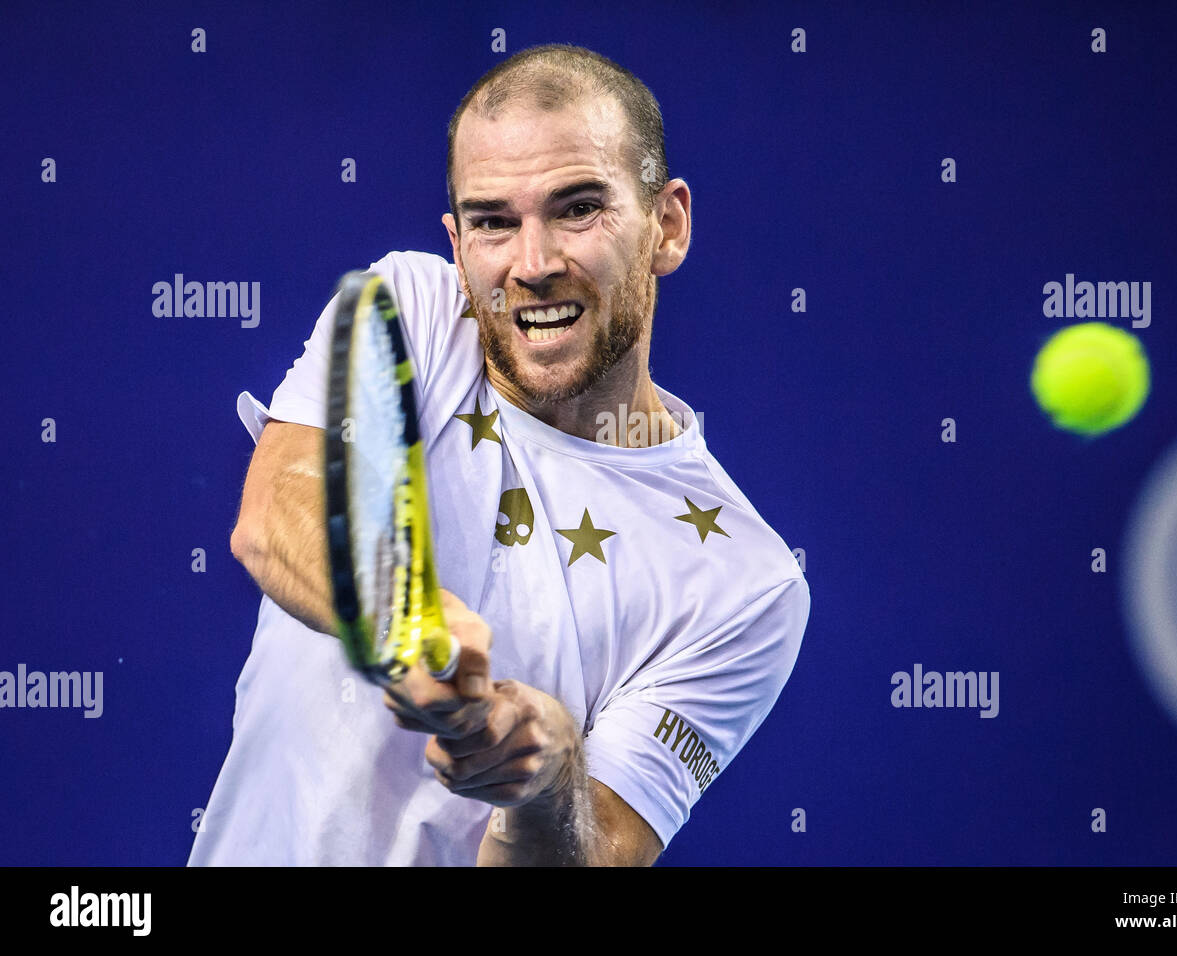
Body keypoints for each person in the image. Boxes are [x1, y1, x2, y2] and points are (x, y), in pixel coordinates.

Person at [189, 43, 809, 867]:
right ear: (455, 242)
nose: (534, 264)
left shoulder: (748, 586)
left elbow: (589, 857)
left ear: (667, 225)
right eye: (492, 222)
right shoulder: (411, 310)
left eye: (578, 208)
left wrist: (549, 780)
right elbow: (276, 517)